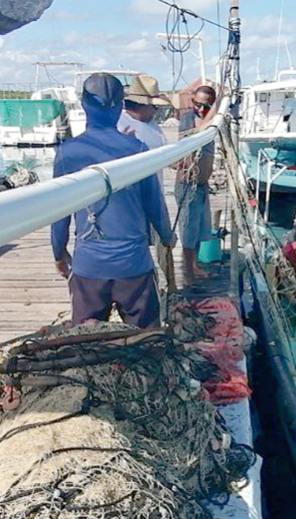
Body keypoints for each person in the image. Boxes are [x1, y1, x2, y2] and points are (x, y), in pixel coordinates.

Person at [51, 73, 175, 329]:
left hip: (89, 267)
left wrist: (58, 251)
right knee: (146, 340)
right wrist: (166, 235)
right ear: (120, 106)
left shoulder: (67, 153)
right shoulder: (137, 150)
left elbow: (58, 213)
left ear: (84, 105)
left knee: (86, 344)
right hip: (134, 266)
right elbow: (155, 204)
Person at [175, 84, 220, 280]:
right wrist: (216, 110)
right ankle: (188, 270)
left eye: (206, 106)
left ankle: (195, 265)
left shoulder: (211, 122)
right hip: (188, 184)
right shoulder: (188, 119)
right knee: (188, 229)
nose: (201, 110)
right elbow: (197, 134)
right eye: (197, 104)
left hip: (202, 185)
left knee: (202, 228)